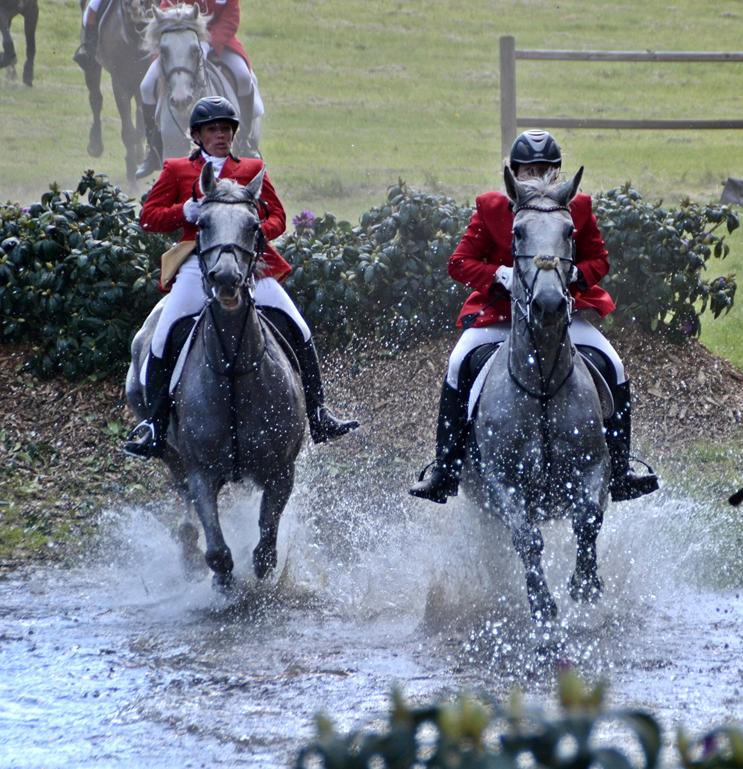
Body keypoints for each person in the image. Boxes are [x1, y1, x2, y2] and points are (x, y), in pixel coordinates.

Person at [409, 130, 659, 505]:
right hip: (502, 316)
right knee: (458, 364)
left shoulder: (577, 208)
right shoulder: (492, 208)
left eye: (545, 170)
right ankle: (445, 470)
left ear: (556, 174)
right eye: (528, 171)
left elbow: (599, 260)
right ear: (515, 174)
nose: (536, 178)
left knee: (615, 365)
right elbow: (459, 263)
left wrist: (576, 275)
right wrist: (498, 276)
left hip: (560, 312)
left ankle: (621, 471)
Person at [126, 96, 357, 458]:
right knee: (164, 333)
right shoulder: (176, 170)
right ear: (198, 135)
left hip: (251, 264)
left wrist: (252, 231)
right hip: (196, 263)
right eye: (212, 129)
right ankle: (155, 424)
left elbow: (279, 216)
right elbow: (148, 216)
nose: (221, 135)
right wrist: (183, 210)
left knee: (297, 325)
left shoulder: (251, 168)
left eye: (226, 129)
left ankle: (318, 412)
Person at [136, 0, 263, 179]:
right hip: (177, 46)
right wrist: (172, 25)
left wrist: (208, 42)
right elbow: (166, 8)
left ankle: (245, 141)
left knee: (243, 76)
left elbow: (230, 18)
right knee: (146, 86)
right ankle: (154, 149)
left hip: (219, 44)